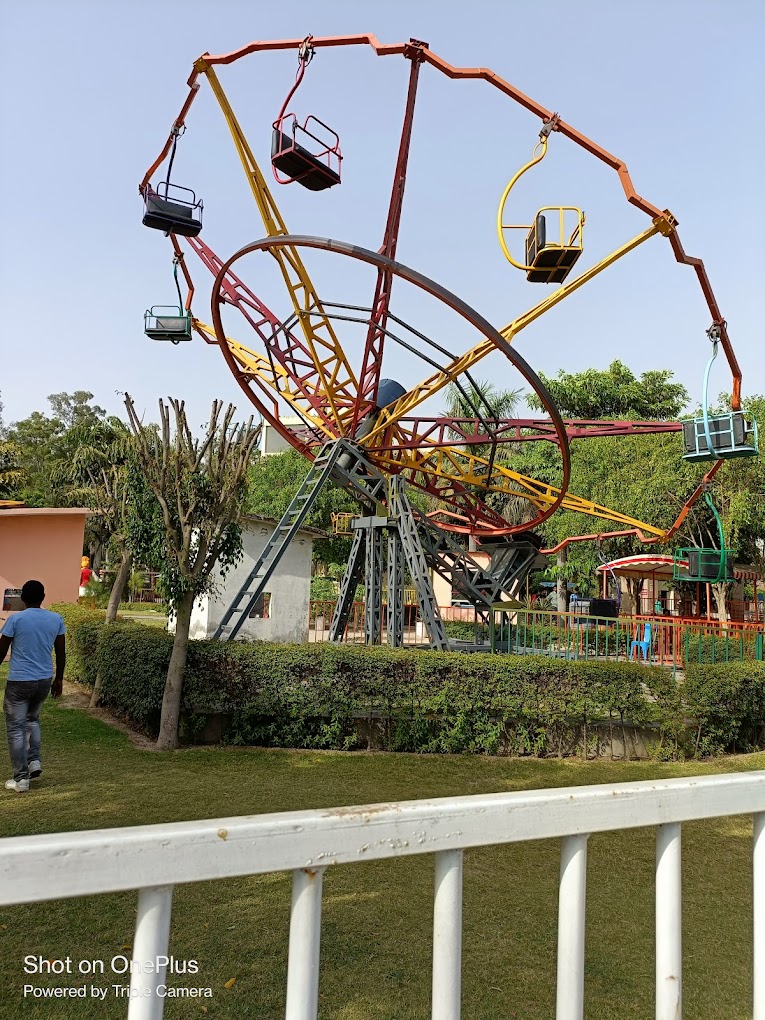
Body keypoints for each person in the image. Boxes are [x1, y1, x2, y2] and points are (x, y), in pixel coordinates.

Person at [0, 580, 65, 793]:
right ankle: (34, 761)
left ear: (23, 599)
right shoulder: (56, 619)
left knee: (15, 729)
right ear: (43, 597)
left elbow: (2, 650)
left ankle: (21, 779)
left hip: (19, 682)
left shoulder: (16, 619)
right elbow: (61, 652)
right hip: (44, 680)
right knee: (32, 720)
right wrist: (59, 680)